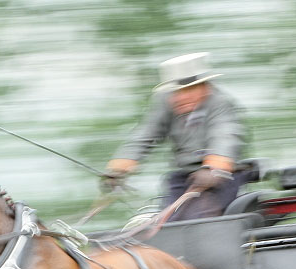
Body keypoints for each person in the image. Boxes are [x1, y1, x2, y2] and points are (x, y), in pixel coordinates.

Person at [104, 52, 248, 221]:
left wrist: (214, 168)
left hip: (223, 177)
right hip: (185, 176)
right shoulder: (165, 101)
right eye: (176, 92)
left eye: (189, 89)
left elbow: (225, 136)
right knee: (166, 221)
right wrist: (119, 168)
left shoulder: (220, 104)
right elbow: (146, 133)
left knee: (200, 219)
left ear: (205, 87)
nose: (181, 97)